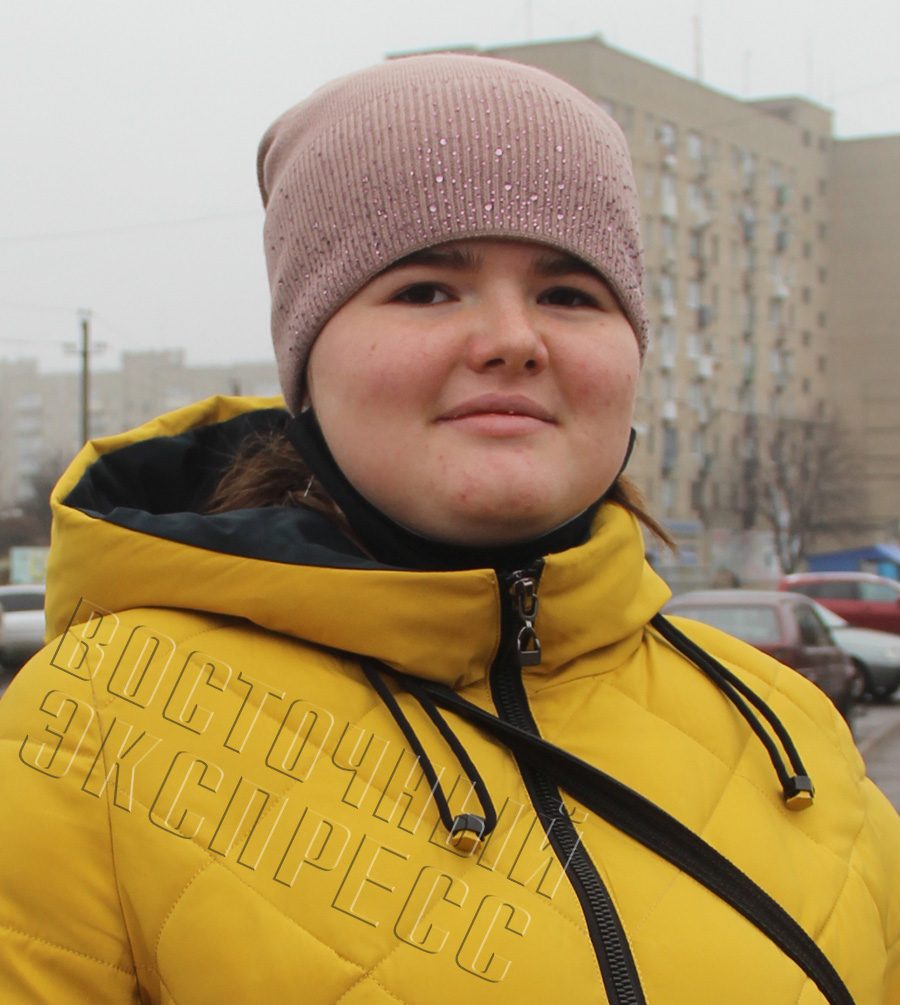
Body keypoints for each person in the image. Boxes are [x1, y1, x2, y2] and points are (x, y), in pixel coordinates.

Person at [0, 52, 897, 1005]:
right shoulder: (96, 725)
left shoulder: (788, 724)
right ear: (309, 363)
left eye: (570, 294)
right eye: (426, 289)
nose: (513, 339)